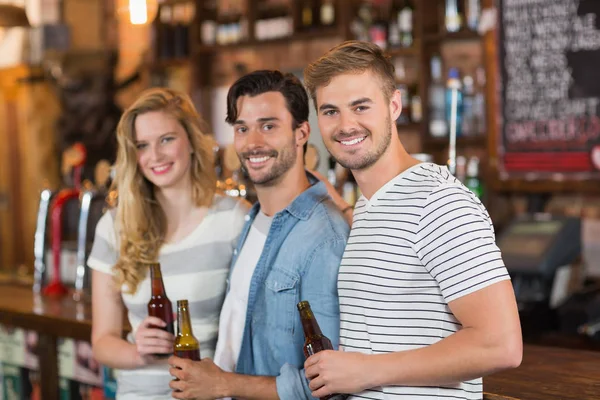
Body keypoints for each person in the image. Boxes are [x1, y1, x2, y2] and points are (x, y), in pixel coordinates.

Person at [301, 40, 523, 400]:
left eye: (360, 106)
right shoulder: (370, 207)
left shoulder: (439, 202)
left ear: (394, 106)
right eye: (330, 111)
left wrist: (364, 371)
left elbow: (500, 345)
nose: (345, 125)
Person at [167, 70, 350, 400]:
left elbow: (328, 384)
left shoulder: (324, 237)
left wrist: (225, 384)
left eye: (268, 126)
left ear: (301, 133)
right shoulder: (254, 220)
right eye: (242, 128)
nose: (253, 143)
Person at [88, 87, 250, 400]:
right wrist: (139, 353)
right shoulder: (114, 226)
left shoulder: (232, 220)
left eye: (167, 139)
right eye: (143, 146)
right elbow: (102, 340)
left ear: (191, 140)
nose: (156, 156)